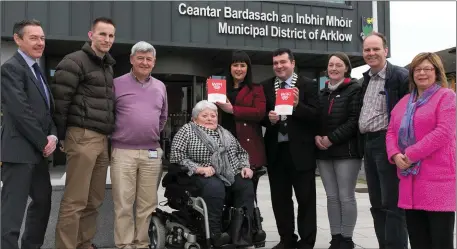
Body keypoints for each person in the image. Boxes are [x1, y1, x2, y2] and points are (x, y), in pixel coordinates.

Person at [51, 17, 116, 249]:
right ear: (91, 35)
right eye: (102, 34)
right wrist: (61, 136)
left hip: (102, 140)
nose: (107, 39)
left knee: (94, 200)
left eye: (111, 35)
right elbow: (60, 102)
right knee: (75, 200)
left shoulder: (107, 66)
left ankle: (84, 243)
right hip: (81, 136)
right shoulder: (74, 61)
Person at [386, 52, 456, 249]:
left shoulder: (446, 97)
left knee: (440, 242)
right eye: (417, 69)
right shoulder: (404, 102)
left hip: (437, 182)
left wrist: (410, 154)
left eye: (427, 69)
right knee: (418, 241)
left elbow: (444, 132)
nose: (422, 73)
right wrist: (394, 154)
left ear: (437, 72)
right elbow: (390, 131)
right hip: (410, 183)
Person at [0, 19, 58, 249]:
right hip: (18, 153)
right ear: (17, 39)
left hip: (38, 154)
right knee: (12, 213)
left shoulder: (37, 70)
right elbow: (20, 110)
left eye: (42, 38)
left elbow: (46, 110)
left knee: (42, 202)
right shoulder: (11, 68)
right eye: (33, 38)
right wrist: (43, 140)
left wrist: (53, 135)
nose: (40, 42)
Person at [170, 100, 255, 249]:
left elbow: (241, 152)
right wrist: (197, 168)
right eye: (205, 115)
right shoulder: (187, 130)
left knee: (245, 184)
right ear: (194, 118)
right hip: (200, 174)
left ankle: (242, 232)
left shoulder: (224, 132)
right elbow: (177, 156)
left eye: (213, 115)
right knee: (215, 187)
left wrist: (245, 167)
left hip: (228, 171)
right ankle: (215, 234)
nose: (210, 118)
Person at [110, 41, 168, 249]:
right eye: (140, 58)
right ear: (132, 59)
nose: (144, 62)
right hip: (122, 152)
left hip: (151, 152)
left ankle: (142, 244)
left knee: (147, 205)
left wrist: (147, 131)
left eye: (148, 59)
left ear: (154, 62)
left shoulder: (160, 86)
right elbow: (110, 114)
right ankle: (125, 245)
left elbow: (163, 117)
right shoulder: (116, 83)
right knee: (123, 204)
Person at [261, 48, 319, 249]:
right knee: (280, 201)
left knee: (306, 201)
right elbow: (260, 116)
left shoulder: (308, 85)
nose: (279, 66)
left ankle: (307, 241)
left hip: (301, 153)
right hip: (277, 153)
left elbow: (316, 116)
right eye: (275, 63)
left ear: (293, 63)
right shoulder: (266, 86)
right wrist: (268, 119)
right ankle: (286, 239)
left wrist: (297, 105)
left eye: (283, 62)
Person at [358, 32, 409, 249]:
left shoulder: (400, 77)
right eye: (367, 50)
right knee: (376, 204)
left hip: (387, 144)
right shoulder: (365, 79)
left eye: (376, 49)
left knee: (392, 204)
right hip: (368, 145)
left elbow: (409, 114)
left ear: (386, 51)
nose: (371, 53)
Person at [315, 52, 362, 249]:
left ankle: (347, 239)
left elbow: (354, 120)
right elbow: (317, 118)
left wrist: (332, 138)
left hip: (347, 152)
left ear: (346, 68)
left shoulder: (355, 89)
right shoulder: (323, 92)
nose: (333, 68)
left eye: (338, 65)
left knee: (346, 196)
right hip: (324, 152)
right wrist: (317, 135)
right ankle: (335, 238)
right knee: (332, 197)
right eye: (330, 65)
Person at [216, 50, 267, 197]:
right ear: (230, 68)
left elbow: (259, 112)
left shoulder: (256, 89)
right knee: (224, 195)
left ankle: (249, 220)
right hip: (223, 145)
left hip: (247, 147)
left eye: (242, 65)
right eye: (235, 65)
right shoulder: (221, 88)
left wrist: (233, 110)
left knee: (247, 194)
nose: (239, 69)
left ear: (248, 68)